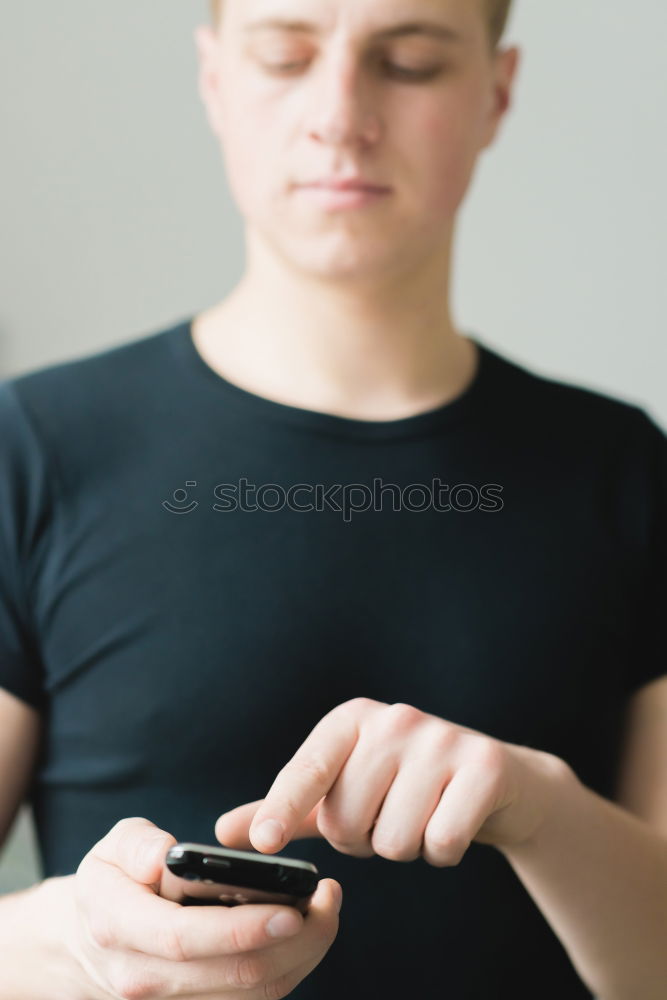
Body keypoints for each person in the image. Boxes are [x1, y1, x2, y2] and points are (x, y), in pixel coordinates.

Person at [0, 0, 665, 996]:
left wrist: (543, 810)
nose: (340, 114)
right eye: (285, 56)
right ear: (216, 78)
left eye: (407, 63)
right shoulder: (34, 447)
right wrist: (71, 936)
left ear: (496, 91)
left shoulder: (624, 468)